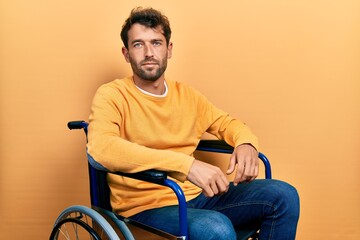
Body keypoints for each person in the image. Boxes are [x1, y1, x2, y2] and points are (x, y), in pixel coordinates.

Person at [87, 7, 300, 240]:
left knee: (284, 196)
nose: (148, 52)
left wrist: (246, 142)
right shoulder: (112, 95)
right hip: (146, 206)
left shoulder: (187, 96)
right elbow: (102, 148)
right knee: (215, 228)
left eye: (156, 43)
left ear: (169, 50)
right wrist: (186, 166)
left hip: (197, 197)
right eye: (138, 44)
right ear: (126, 53)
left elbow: (228, 123)